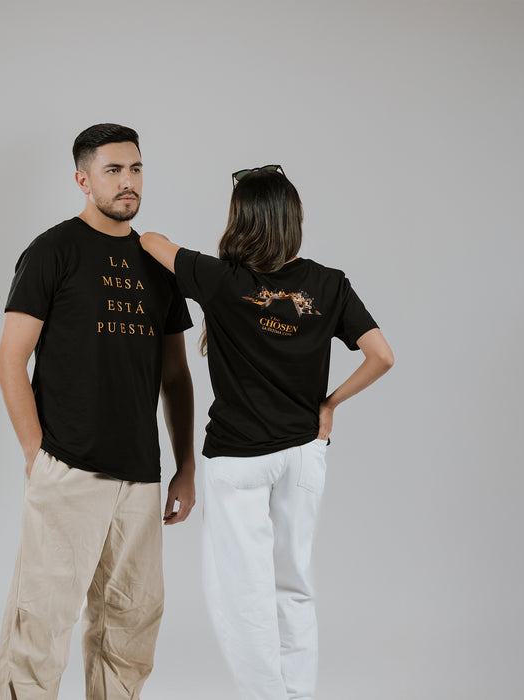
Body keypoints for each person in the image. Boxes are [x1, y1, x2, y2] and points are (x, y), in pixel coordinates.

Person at [140, 164, 394, 700]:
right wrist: (330, 404)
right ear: (293, 218)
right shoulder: (329, 283)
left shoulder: (220, 279)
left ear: (242, 220)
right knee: (294, 585)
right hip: (303, 454)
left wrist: (220, 253)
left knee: (242, 595)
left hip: (238, 460)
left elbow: (150, 241)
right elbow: (382, 356)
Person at [0, 123, 196, 700]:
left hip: (140, 475)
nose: (128, 182)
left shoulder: (158, 262)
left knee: (131, 629)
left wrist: (185, 466)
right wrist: (37, 454)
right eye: (113, 170)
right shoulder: (53, 250)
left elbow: (176, 376)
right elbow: (10, 360)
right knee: (40, 627)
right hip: (69, 467)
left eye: (135, 169)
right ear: (83, 180)